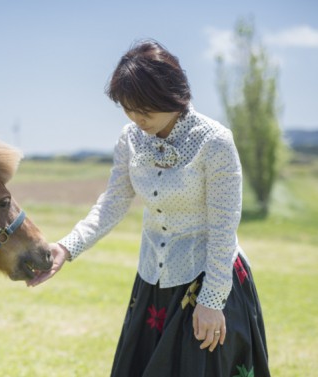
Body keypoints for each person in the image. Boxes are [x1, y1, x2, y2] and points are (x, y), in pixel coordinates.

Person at [28, 40, 270, 377]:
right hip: (153, 285)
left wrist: (212, 302)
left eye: (146, 110)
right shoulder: (130, 138)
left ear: (173, 97)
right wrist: (67, 247)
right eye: (129, 108)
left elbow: (223, 228)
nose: (137, 119)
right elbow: (112, 202)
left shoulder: (215, 141)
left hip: (208, 280)